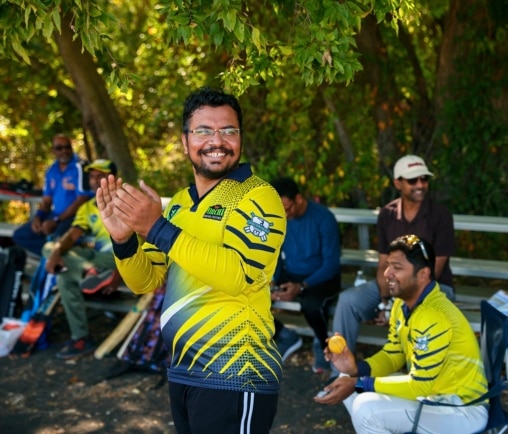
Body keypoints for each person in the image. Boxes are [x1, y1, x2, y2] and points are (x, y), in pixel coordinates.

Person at [96, 87, 287, 434]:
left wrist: (156, 227)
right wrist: (123, 239)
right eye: (203, 131)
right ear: (184, 142)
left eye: (229, 130)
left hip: (237, 374)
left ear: (241, 139)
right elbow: (145, 281)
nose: (218, 140)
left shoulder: (259, 197)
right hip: (184, 371)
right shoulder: (179, 204)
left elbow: (239, 276)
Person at [315, 235, 488, 434]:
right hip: (435, 398)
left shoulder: (434, 315)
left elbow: (419, 386)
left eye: (397, 267)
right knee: (349, 379)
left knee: (366, 409)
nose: (387, 273)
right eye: (388, 265)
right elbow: (393, 354)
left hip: (462, 409)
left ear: (423, 274)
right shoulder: (402, 303)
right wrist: (355, 369)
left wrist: (360, 383)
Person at [332, 154, 455, 357]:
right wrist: (385, 301)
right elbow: (383, 264)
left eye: (424, 179)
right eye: (412, 180)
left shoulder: (440, 215)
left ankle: (417, 380)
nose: (420, 184)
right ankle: (342, 376)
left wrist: (396, 304)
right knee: (348, 301)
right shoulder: (387, 214)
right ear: (398, 183)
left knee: (414, 313)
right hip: (392, 284)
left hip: (433, 287)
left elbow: (434, 269)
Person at [42, 159, 121, 359]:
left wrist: (119, 275)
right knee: (51, 249)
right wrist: (56, 254)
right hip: (95, 259)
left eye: (101, 176)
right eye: (93, 176)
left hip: (119, 260)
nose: (96, 180)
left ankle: (80, 337)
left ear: (114, 179)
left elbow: (140, 246)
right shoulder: (87, 207)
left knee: (64, 277)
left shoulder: (126, 202)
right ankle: (82, 339)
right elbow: (74, 234)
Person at [269, 177, 341, 373]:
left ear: (299, 199)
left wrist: (301, 286)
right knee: (252, 297)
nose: (283, 214)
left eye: (286, 208)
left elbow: (331, 264)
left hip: (322, 276)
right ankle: (285, 335)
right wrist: (273, 280)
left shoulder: (323, 218)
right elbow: (276, 254)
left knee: (312, 305)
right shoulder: (280, 218)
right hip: (291, 272)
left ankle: (322, 344)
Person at [13, 134, 92, 256]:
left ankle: (57, 259)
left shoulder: (81, 166)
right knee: (21, 235)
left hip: (75, 216)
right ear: (53, 150)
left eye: (67, 147)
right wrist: (38, 217)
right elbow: (46, 200)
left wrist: (56, 220)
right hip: (56, 215)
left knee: (58, 240)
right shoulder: (51, 170)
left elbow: (82, 199)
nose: (64, 151)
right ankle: (54, 259)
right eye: (59, 148)